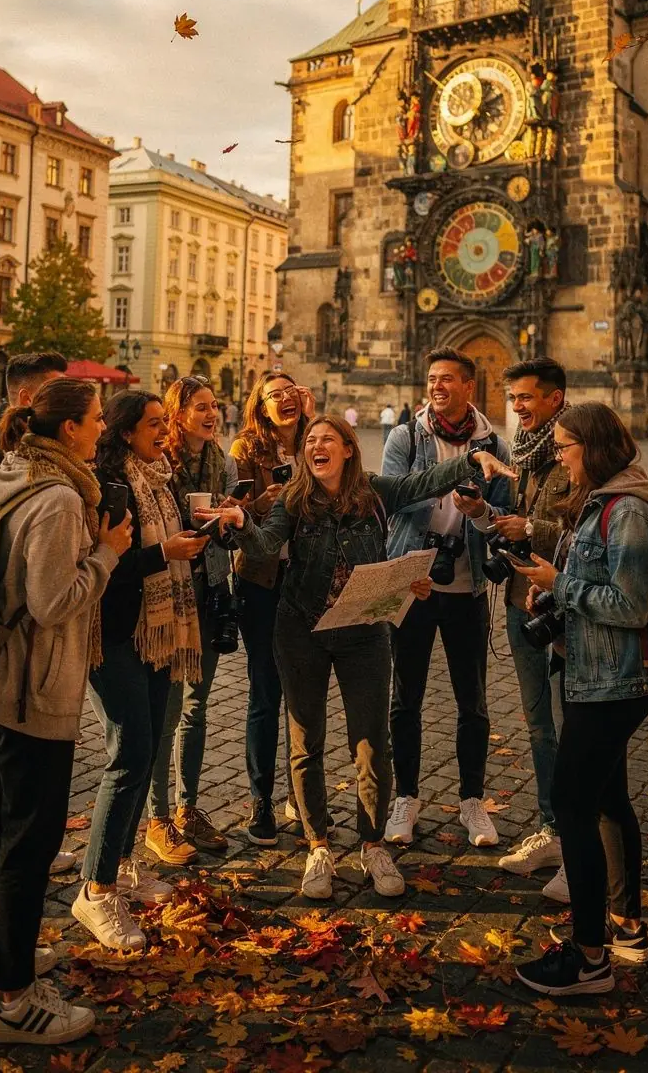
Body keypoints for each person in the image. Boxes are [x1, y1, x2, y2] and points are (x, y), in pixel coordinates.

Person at [215, 414, 514, 901]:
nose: (316, 446)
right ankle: (317, 843)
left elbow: (424, 480)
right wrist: (240, 523)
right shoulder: (293, 499)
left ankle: (372, 843)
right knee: (305, 742)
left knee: (372, 744)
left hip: (363, 633)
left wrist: (471, 458)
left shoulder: (374, 492)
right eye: (310, 440)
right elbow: (268, 543)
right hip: (301, 630)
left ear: (349, 449)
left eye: (326, 439)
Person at [0, 377, 133, 1046]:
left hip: (0, 679)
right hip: (35, 687)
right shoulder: (58, 499)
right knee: (28, 844)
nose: (101, 430)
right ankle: (13, 1000)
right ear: (66, 431)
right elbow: (54, 601)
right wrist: (109, 550)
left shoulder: (12, 472)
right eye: (92, 420)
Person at [514, 403, 648, 996]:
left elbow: (631, 607)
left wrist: (561, 585)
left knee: (572, 804)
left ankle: (587, 959)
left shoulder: (629, 511)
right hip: (597, 672)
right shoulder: (606, 504)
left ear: (595, 447)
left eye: (564, 447)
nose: (559, 457)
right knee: (609, 800)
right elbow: (601, 592)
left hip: (613, 681)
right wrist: (553, 600)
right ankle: (627, 930)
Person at [72, 391, 210, 951]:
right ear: (126, 432)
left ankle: (124, 865)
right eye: (154, 424)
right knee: (129, 751)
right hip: (117, 630)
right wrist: (165, 555)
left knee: (150, 745)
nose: (164, 430)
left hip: (159, 629)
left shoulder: (161, 475)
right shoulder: (109, 485)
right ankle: (95, 888)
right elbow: (104, 562)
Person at [382, 346, 512, 850]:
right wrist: (450, 478)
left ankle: (472, 801)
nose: (437, 386)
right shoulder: (405, 436)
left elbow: (501, 516)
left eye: (448, 380)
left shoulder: (494, 442)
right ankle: (406, 797)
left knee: (472, 700)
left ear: (468, 387)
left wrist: (478, 510)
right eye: (432, 378)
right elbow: (393, 494)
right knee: (405, 697)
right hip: (413, 583)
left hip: (467, 585)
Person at [0, 353, 75, 894]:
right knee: (11, 816)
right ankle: (2, 955)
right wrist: (104, 556)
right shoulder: (36, 479)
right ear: (30, 401)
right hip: (20, 665)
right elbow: (46, 596)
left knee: (1, 799)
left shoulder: (6, 462)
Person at [466, 359, 570, 898]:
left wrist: (532, 526)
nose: (518, 406)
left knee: (571, 722)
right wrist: (487, 511)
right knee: (538, 725)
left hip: (568, 605)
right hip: (520, 598)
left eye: (527, 397)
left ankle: (580, 844)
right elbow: (508, 511)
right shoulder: (523, 451)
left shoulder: (579, 449)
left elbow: (590, 527)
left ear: (555, 399)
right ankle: (553, 828)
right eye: (513, 397)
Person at [145, 376, 238, 864]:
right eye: (200, 406)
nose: (210, 413)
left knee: (196, 707)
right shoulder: (158, 462)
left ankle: (187, 809)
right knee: (165, 708)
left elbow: (230, 538)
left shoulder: (224, 462)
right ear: (178, 414)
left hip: (209, 589)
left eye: (214, 405)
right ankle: (156, 817)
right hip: (168, 595)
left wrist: (230, 518)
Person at [229, 371, 314, 845]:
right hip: (260, 582)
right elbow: (235, 513)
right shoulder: (246, 450)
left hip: (305, 580)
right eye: (274, 395)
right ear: (260, 406)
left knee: (302, 694)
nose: (285, 399)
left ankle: (301, 794)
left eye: (291, 392)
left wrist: (313, 418)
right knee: (265, 694)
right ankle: (261, 799)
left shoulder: (313, 440)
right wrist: (261, 502)